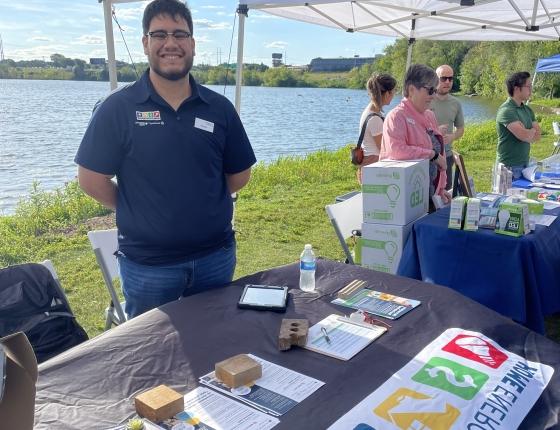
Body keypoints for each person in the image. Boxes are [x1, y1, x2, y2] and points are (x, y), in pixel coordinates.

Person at [75, 0, 256, 318]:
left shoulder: (219, 108)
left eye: (180, 34)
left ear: (193, 44)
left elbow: (239, 174)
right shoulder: (118, 107)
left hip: (215, 257)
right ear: (145, 43)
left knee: (213, 343)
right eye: (159, 34)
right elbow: (91, 179)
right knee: (152, 358)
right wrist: (138, 206)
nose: (170, 43)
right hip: (149, 265)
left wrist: (202, 199)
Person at [379, 64, 449, 209]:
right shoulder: (396, 116)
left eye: (435, 91)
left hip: (430, 195)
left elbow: (440, 157)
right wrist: (432, 155)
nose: (433, 96)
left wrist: (441, 189)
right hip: (404, 201)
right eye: (430, 91)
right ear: (411, 90)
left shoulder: (429, 115)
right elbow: (397, 151)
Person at [496, 71, 541, 179]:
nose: (531, 89)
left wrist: (528, 132)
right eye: (528, 86)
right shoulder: (506, 110)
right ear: (516, 88)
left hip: (525, 165)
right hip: (508, 168)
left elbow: (537, 135)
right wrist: (529, 131)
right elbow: (524, 136)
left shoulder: (527, 109)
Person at [356, 73, 397, 183]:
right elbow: (384, 148)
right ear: (387, 93)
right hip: (373, 164)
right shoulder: (375, 118)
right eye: (394, 91)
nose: (394, 95)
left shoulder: (372, 111)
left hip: (370, 163)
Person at [430, 64, 464, 189]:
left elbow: (460, 129)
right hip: (427, 156)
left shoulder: (456, 103)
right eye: (443, 78)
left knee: (445, 196)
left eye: (450, 78)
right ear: (435, 79)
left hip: (447, 156)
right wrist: (436, 132)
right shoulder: (427, 99)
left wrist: (452, 137)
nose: (448, 82)